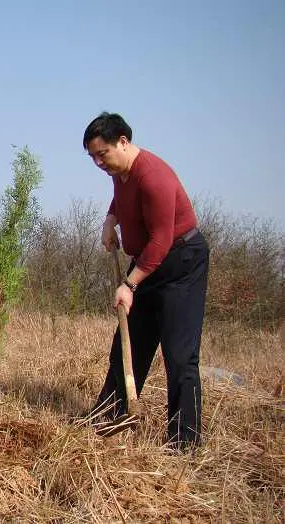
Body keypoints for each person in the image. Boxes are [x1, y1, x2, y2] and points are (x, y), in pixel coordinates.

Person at [83, 112, 209, 451]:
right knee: (129, 342)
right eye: (92, 156)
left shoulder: (154, 176)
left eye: (102, 154)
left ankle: (184, 441)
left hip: (180, 263)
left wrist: (130, 284)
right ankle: (110, 414)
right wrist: (111, 221)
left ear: (123, 142)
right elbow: (120, 198)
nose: (98, 162)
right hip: (150, 265)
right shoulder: (120, 171)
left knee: (179, 353)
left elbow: (161, 241)